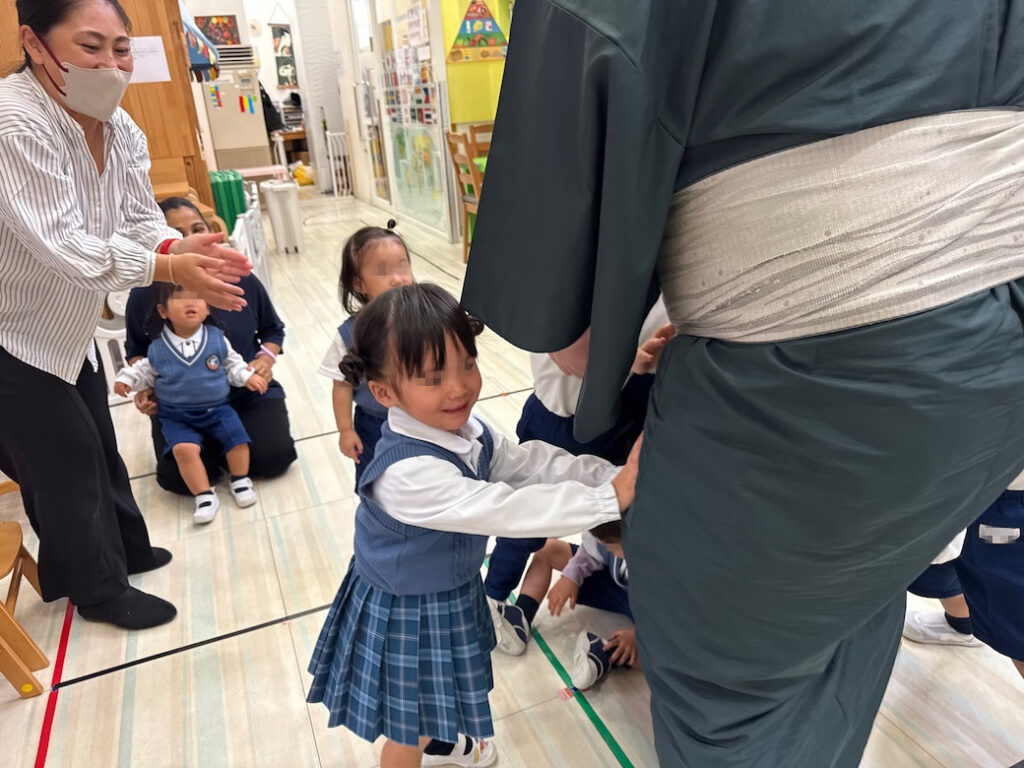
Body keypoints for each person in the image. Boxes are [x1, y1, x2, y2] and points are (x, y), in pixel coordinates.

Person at [462, 1, 1024, 764]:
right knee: (857, 597)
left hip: (809, 384)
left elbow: (576, 341)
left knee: (735, 700)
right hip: (993, 364)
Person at [306, 283, 642, 768]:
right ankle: (422, 747)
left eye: (467, 363)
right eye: (433, 377)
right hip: (407, 608)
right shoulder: (409, 474)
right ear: (384, 393)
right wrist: (608, 498)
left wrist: (609, 476)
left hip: (446, 588)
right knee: (408, 727)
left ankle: (441, 745)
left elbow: (527, 464)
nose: (459, 387)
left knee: (439, 691)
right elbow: (507, 509)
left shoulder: (465, 429)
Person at [0, 0, 251, 630]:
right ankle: (98, 590)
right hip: (10, 330)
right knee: (64, 462)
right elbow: (67, 247)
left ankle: (123, 551)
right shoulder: (14, 123)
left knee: (99, 445)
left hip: (63, 322)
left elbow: (140, 220)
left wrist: (178, 249)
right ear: (34, 42)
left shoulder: (118, 125)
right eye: (90, 47)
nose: (111, 65)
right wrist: (169, 267)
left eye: (121, 48)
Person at [486, 298, 670, 654]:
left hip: (635, 405)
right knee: (527, 525)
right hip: (567, 412)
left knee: (622, 524)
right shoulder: (562, 297)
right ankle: (493, 597)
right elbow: (556, 333)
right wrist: (619, 361)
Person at [125, 197, 297, 494]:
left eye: (197, 229)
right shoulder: (144, 294)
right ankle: (215, 447)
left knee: (272, 459)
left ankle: (227, 443)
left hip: (245, 392)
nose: (190, 241)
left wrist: (264, 361)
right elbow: (136, 351)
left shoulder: (240, 279)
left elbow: (273, 330)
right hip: (180, 406)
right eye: (176, 235)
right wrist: (145, 388)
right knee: (180, 480)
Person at [115, 285, 268, 523]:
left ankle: (240, 479)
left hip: (218, 409)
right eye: (180, 299)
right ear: (163, 311)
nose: (190, 303)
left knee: (238, 440)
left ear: (207, 308)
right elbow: (142, 370)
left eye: (197, 298)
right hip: (176, 415)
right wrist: (126, 380)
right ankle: (204, 495)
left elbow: (233, 365)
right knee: (183, 450)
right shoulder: (157, 348)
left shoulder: (217, 339)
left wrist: (247, 377)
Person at [317, 221, 413, 484]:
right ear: (359, 284)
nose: (398, 278)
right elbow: (341, 385)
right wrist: (345, 430)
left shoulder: (423, 320)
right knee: (376, 480)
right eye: (383, 271)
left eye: (402, 266)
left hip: (422, 418)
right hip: (374, 425)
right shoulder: (351, 335)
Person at [905, 473, 1024, 681]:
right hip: (980, 487)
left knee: (1014, 623)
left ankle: (961, 624)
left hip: (1001, 495)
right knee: (953, 566)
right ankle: (960, 625)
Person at [511, 520, 638, 691]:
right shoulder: (608, 529)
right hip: (617, 587)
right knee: (547, 549)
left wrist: (639, 636)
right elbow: (592, 550)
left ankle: (603, 653)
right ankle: (521, 615)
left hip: (651, 608)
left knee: (665, 652)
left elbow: (671, 615)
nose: (607, 548)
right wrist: (570, 576)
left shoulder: (660, 556)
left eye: (611, 544)